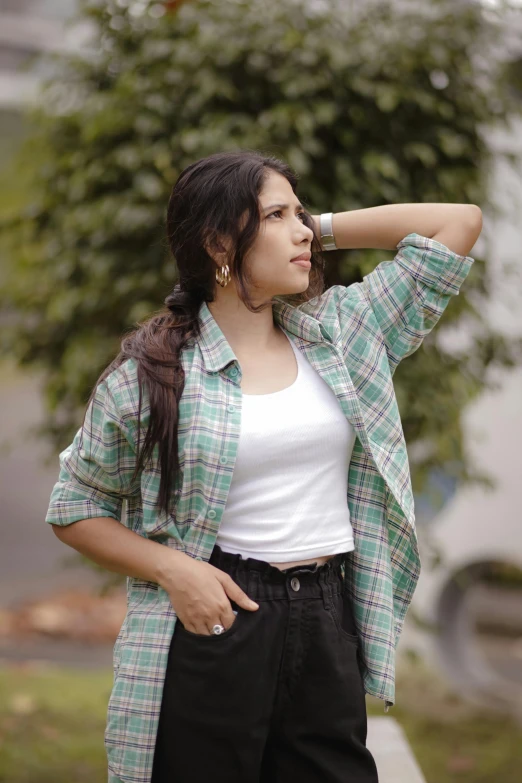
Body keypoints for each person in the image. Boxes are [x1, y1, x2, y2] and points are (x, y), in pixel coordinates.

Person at [45, 149, 481, 783]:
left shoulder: (344, 332)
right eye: (276, 216)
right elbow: (74, 507)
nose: (303, 230)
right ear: (221, 241)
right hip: (219, 616)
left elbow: (458, 224)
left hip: (329, 617)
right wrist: (174, 569)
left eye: (299, 214)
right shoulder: (154, 376)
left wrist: (309, 227)